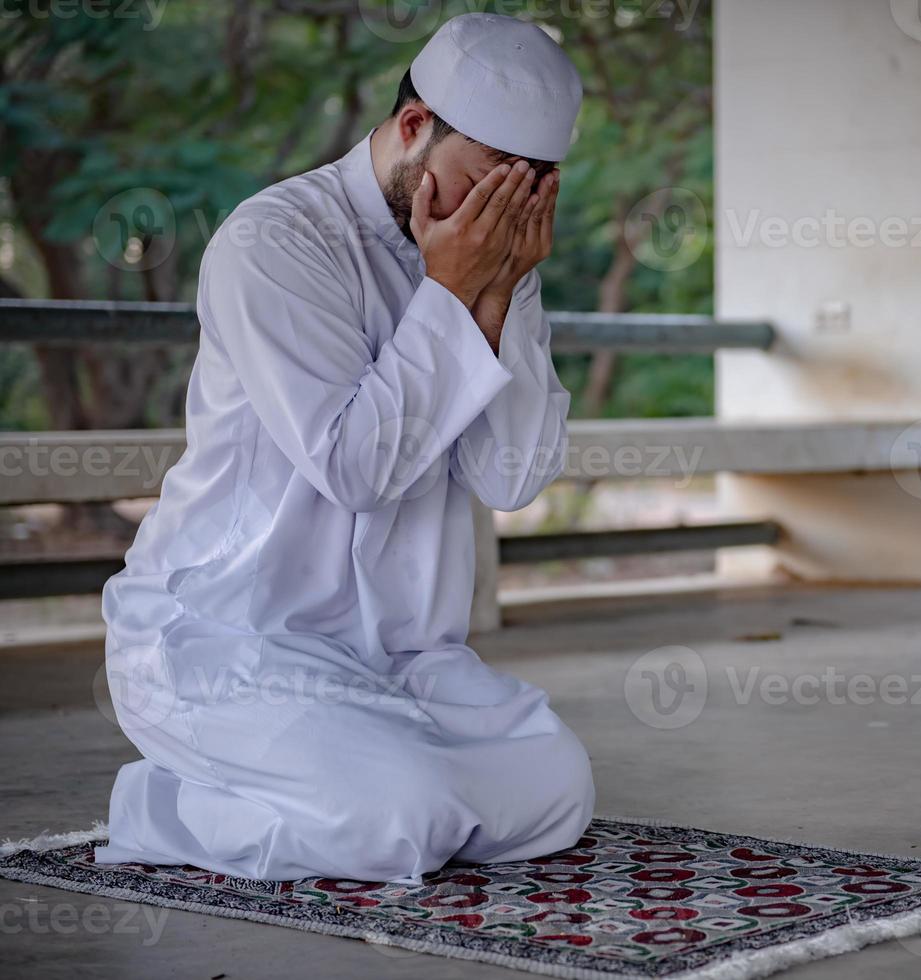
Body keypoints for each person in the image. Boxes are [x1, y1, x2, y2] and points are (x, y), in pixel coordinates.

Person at [94, 14, 593, 884]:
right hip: (227, 640)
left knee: (557, 792)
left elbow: (512, 477)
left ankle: (364, 774)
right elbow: (356, 469)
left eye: (521, 200)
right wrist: (452, 288)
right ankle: (163, 807)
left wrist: (499, 293)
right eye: (480, 188)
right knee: (396, 816)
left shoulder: (494, 260)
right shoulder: (276, 241)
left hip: (396, 659)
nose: (493, 218)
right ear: (412, 130)